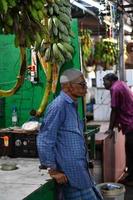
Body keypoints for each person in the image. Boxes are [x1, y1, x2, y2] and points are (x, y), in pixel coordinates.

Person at [37, 68, 103, 200]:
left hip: (79, 172)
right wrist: (53, 170)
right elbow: (45, 139)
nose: (85, 88)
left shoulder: (71, 105)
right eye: (82, 84)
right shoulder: (59, 106)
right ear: (67, 87)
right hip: (69, 175)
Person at [103, 73, 133, 186]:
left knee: (130, 152)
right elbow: (123, 105)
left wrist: (110, 128)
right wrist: (119, 122)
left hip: (131, 123)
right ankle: (130, 176)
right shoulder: (121, 84)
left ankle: (130, 178)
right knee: (130, 151)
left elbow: (114, 110)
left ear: (111, 80)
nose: (103, 83)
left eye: (104, 81)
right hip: (129, 122)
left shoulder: (114, 88)